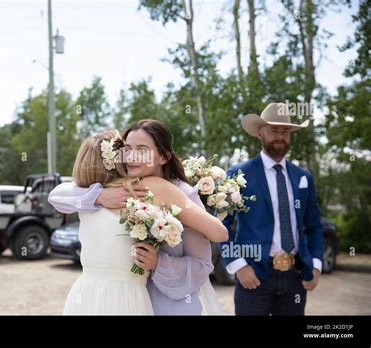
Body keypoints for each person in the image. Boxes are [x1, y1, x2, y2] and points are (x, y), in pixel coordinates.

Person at [51, 120, 225, 315]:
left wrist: (159, 263)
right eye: (127, 149)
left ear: (164, 157)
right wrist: (98, 196)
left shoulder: (175, 191)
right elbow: (57, 195)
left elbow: (214, 242)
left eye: (142, 150)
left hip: (169, 307)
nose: (132, 157)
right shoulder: (107, 192)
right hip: (125, 298)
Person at [219, 102, 324, 315]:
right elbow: (221, 224)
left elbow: (314, 226)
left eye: (285, 131)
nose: (280, 136)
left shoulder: (303, 177)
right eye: (274, 130)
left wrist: (316, 265)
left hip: (295, 277)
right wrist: (238, 266)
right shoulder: (239, 174)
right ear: (260, 133)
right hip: (254, 276)